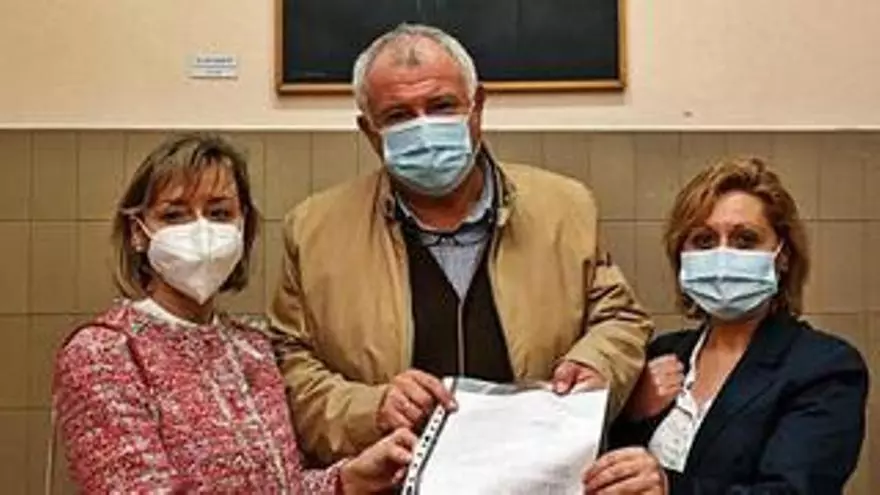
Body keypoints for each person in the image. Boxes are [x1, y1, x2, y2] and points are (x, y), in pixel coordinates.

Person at [269, 23, 654, 465]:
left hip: (538, 471)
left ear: (477, 107)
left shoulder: (566, 208)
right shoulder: (313, 230)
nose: (424, 127)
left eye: (442, 106)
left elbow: (619, 317)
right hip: (394, 477)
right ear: (369, 130)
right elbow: (289, 365)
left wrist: (597, 363)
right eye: (398, 116)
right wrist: (370, 410)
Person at [53, 134, 416, 493]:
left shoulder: (252, 348)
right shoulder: (105, 354)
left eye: (219, 213)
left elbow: (281, 487)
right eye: (174, 215)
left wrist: (347, 479)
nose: (201, 231)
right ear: (138, 232)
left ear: (243, 226)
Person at [604, 157, 869, 493]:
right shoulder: (661, 355)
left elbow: (791, 490)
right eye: (704, 241)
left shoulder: (824, 368)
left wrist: (671, 488)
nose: (722, 256)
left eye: (745, 240)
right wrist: (633, 414)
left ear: (783, 256)